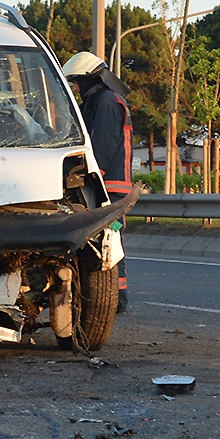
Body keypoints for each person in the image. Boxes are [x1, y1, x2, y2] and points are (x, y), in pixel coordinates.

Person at [62, 52, 133, 312]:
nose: (76, 88)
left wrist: (90, 178)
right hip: (104, 186)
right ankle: (109, 297)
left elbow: (101, 145)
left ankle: (117, 299)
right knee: (101, 240)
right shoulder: (97, 101)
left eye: (77, 82)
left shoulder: (106, 102)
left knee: (110, 237)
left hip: (111, 189)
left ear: (89, 78)